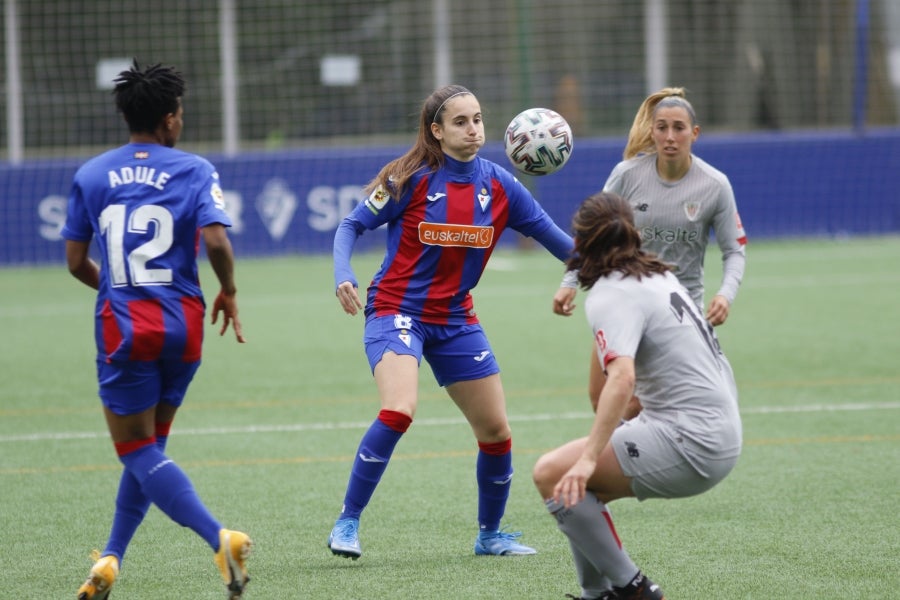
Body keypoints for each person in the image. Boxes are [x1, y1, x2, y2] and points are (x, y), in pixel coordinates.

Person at [329, 84, 574, 560]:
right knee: (399, 409)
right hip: (396, 309)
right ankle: (347, 522)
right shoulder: (409, 177)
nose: (473, 129)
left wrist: (616, 261)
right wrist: (344, 274)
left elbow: (566, 247)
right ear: (436, 131)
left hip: (455, 317)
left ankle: (490, 535)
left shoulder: (501, 185)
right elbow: (350, 225)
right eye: (461, 122)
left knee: (497, 432)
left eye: (478, 119)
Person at [62, 60, 251, 599]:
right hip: (184, 324)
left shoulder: (92, 174)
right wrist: (230, 291)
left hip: (125, 329)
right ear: (169, 120)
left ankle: (219, 536)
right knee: (153, 447)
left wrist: (114, 288)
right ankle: (111, 558)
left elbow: (76, 262)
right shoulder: (193, 169)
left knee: (136, 451)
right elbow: (216, 243)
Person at [533, 191, 742, 600]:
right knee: (577, 490)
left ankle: (634, 590)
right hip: (720, 430)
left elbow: (623, 378)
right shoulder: (658, 276)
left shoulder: (613, 293)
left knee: (552, 473)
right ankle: (597, 595)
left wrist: (590, 457)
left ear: (582, 241)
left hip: (693, 440)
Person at [553, 87, 747, 419]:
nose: (670, 136)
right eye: (662, 127)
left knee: (636, 405)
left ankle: (647, 459)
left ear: (694, 133)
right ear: (652, 131)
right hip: (623, 298)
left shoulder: (715, 185)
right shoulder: (627, 174)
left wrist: (725, 295)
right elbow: (593, 232)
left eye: (679, 128)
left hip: (678, 309)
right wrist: (570, 280)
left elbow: (734, 251)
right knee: (601, 403)